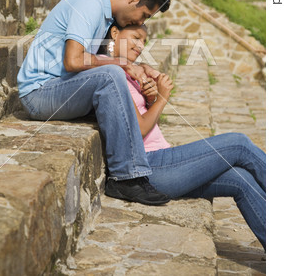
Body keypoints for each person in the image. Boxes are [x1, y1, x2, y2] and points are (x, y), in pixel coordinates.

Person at [101, 22, 266, 250]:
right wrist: (162, 99)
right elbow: (136, 132)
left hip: (162, 161)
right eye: (136, 37)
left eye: (144, 42)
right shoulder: (111, 77)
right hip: (149, 168)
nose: (140, 46)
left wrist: (150, 100)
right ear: (115, 33)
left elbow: (144, 124)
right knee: (239, 144)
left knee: (241, 179)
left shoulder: (131, 73)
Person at [18, 0, 171, 206]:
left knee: (112, 72)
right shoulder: (90, 3)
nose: (141, 23)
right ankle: (126, 178)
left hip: (64, 87)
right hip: (39, 93)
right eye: (144, 15)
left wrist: (139, 66)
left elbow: (98, 59)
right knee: (111, 75)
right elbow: (74, 61)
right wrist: (123, 65)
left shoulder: (106, 15)